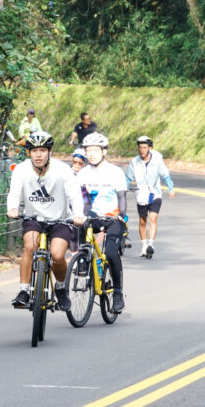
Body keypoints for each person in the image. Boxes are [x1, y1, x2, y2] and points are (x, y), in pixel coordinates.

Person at [7, 130, 85, 312]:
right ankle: (24, 291)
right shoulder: (21, 170)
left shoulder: (62, 170)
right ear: (29, 153)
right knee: (29, 247)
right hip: (34, 218)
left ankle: (60, 288)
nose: (38, 154)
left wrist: (78, 214)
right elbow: (14, 192)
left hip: (60, 219)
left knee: (57, 255)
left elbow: (74, 194)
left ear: (49, 151)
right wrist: (12, 208)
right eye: (34, 150)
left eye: (42, 150)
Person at [75, 132, 128, 312]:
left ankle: (118, 292)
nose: (91, 154)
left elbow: (122, 198)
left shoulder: (115, 172)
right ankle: (83, 258)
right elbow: (79, 199)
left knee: (111, 253)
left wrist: (121, 213)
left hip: (112, 218)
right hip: (92, 217)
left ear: (104, 151)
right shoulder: (82, 173)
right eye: (88, 150)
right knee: (77, 225)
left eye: (95, 150)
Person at [125, 135, 175, 258]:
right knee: (142, 221)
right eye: (140, 147)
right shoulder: (134, 162)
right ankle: (144, 246)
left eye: (145, 147)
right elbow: (128, 178)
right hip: (141, 194)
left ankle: (151, 245)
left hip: (155, 193)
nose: (142, 150)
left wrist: (171, 188)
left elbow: (165, 175)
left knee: (153, 219)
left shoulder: (157, 160)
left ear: (150, 148)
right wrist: (123, 190)